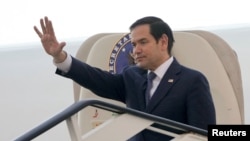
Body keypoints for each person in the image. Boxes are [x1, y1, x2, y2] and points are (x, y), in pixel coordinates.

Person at [34, 16, 216, 141]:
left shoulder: (192, 81)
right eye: (134, 44)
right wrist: (61, 58)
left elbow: (203, 134)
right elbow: (96, 79)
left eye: (143, 42)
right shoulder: (132, 76)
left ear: (163, 42)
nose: (136, 50)